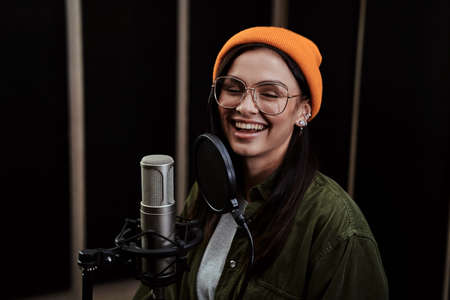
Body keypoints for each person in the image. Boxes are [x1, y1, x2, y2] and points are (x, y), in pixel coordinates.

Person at [134, 26, 388, 300]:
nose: (245, 106)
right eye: (233, 88)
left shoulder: (337, 229)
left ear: (304, 110)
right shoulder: (209, 190)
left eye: (269, 94)